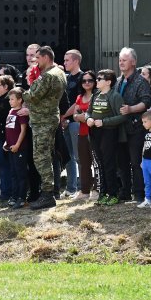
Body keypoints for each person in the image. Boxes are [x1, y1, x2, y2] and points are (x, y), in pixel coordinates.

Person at [21, 46, 66, 210]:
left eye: (38, 58)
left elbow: (32, 95)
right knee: (47, 155)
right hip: (49, 118)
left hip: (43, 121)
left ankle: (47, 194)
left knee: (41, 157)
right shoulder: (60, 73)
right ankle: (49, 192)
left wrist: (21, 92)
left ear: (46, 57)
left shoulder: (48, 76)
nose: (36, 62)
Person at [116, 47, 151, 203]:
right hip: (120, 128)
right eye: (120, 60)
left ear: (133, 62)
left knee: (136, 162)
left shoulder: (140, 81)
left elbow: (146, 102)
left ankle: (139, 194)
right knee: (122, 162)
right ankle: (125, 191)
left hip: (136, 128)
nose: (121, 63)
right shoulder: (118, 81)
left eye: (124, 60)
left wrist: (131, 109)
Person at [86, 69, 126, 206]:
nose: (96, 81)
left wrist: (104, 122)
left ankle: (113, 194)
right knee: (99, 163)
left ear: (108, 82)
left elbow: (122, 116)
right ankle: (102, 193)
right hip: (95, 133)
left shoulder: (115, 96)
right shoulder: (95, 95)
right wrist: (88, 119)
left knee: (109, 164)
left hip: (109, 133)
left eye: (99, 79)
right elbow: (88, 112)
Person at [70, 70, 98, 201]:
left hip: (95, 133)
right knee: (83, 162)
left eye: (90, 80)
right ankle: (84, 190)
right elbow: (75, 115)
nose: (87, 83)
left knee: (97, 162)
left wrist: (84, 116)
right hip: (82, 133)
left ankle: (97, 189)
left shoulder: (98, 96)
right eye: (84, 81)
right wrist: (81, 117)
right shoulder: (79, 97)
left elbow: (96, 114)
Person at [61, 49, 84, 198]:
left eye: (67, 60)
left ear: (76, 61)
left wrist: (63, 116)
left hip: (76, 121)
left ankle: (83, 187)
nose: (64, 63)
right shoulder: (66, 78)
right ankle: (71, 188)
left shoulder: (83, 78)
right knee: (67, 157)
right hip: (65, 122)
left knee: (79, 156)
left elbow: (78, 103)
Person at [4, 87, 30, 208]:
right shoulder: (10, 112)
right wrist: (6, 142)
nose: (10, 101)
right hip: (10, 148)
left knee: (21, 174)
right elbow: (9, 130)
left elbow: (23, 130)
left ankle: (22, 197)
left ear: (20, 100)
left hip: (19, 148)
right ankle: (14, 196)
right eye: (10, 99)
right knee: (13, 173)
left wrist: (18, 144)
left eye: (12, 99)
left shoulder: (21, 113)